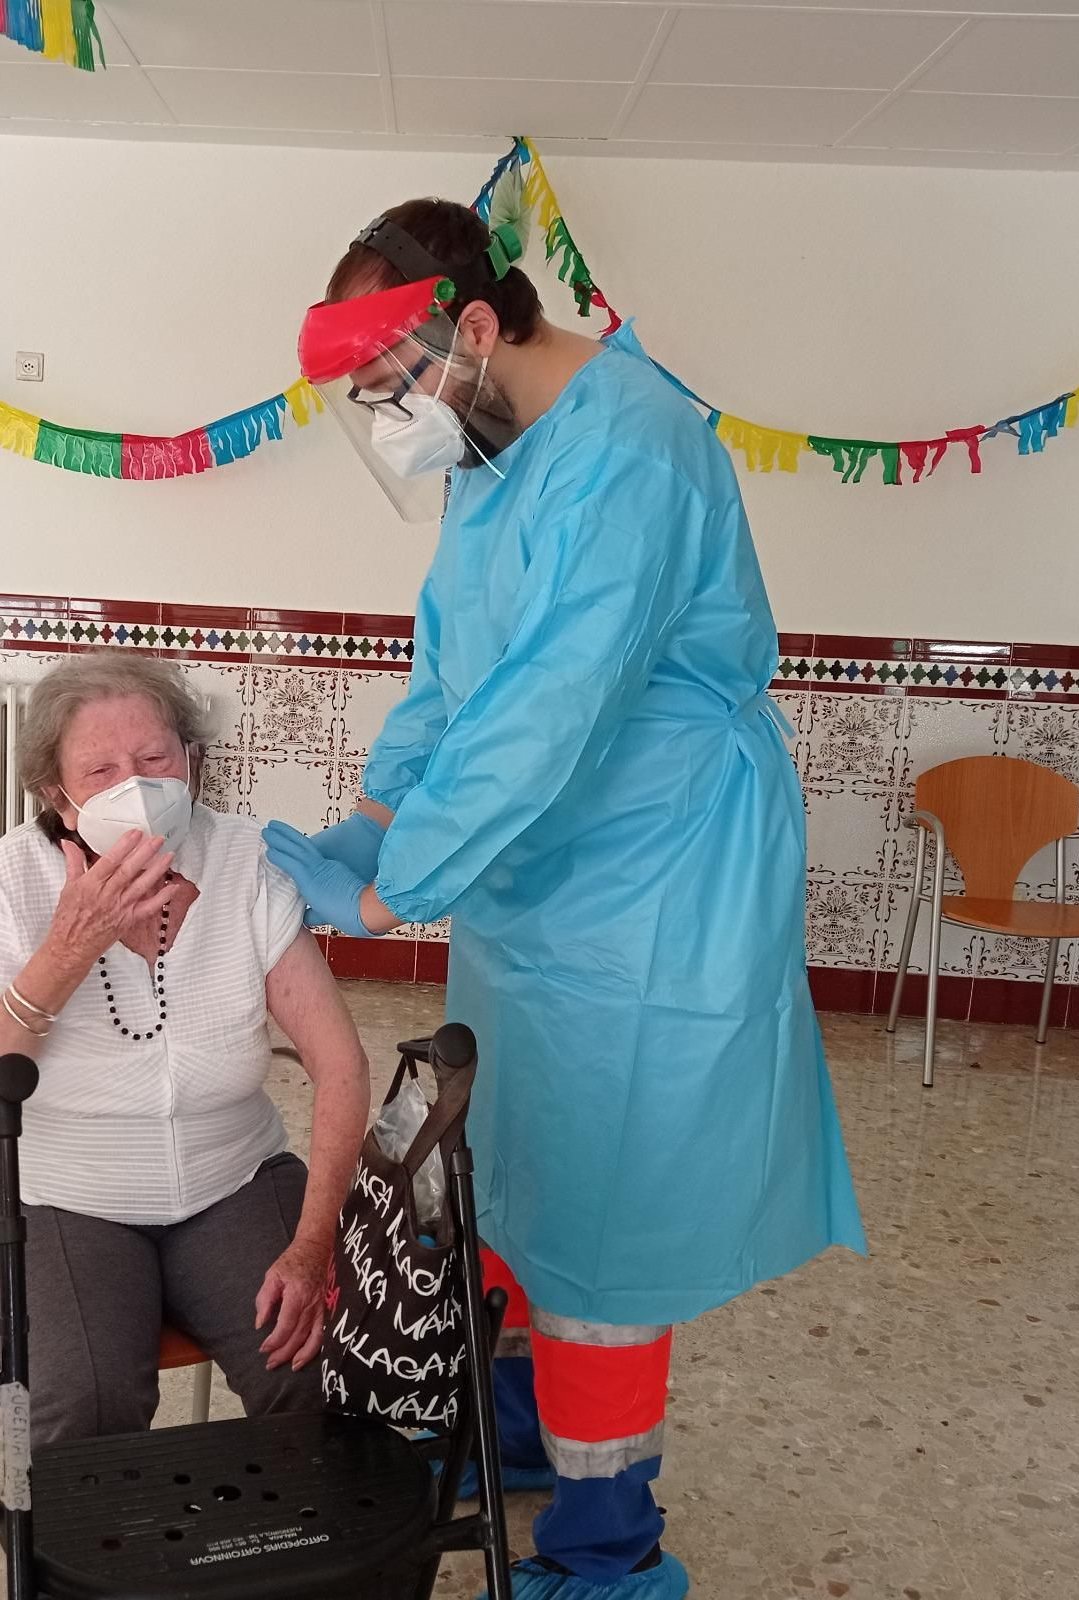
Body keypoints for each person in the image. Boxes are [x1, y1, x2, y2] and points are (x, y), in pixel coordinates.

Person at [265, 199, 866, 1600]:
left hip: (654, 884)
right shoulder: (494, 448)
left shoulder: (637, 449)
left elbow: (553, 704)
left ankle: (612, 1548)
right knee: (518, 1172)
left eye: (392, 389)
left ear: (472, 330)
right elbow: (454, 664)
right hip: (539, 889)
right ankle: (530, 1426)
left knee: (608, 1218)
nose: (393, 423)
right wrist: (375, 812)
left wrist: (402, 877)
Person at [0, 655, 369, 1447]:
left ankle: (284, 1561)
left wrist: (312, 1245)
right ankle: (84, 1568)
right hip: (53, 1195)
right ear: (59, 795)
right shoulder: (10, 880)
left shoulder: (245, 861)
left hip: (232, 1179)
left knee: (331, 1371)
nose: (137, 784)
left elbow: (342, 1065)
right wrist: (67, 948)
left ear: (191, 762)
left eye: (156, 759)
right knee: (82, 1404)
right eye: (101, 769)